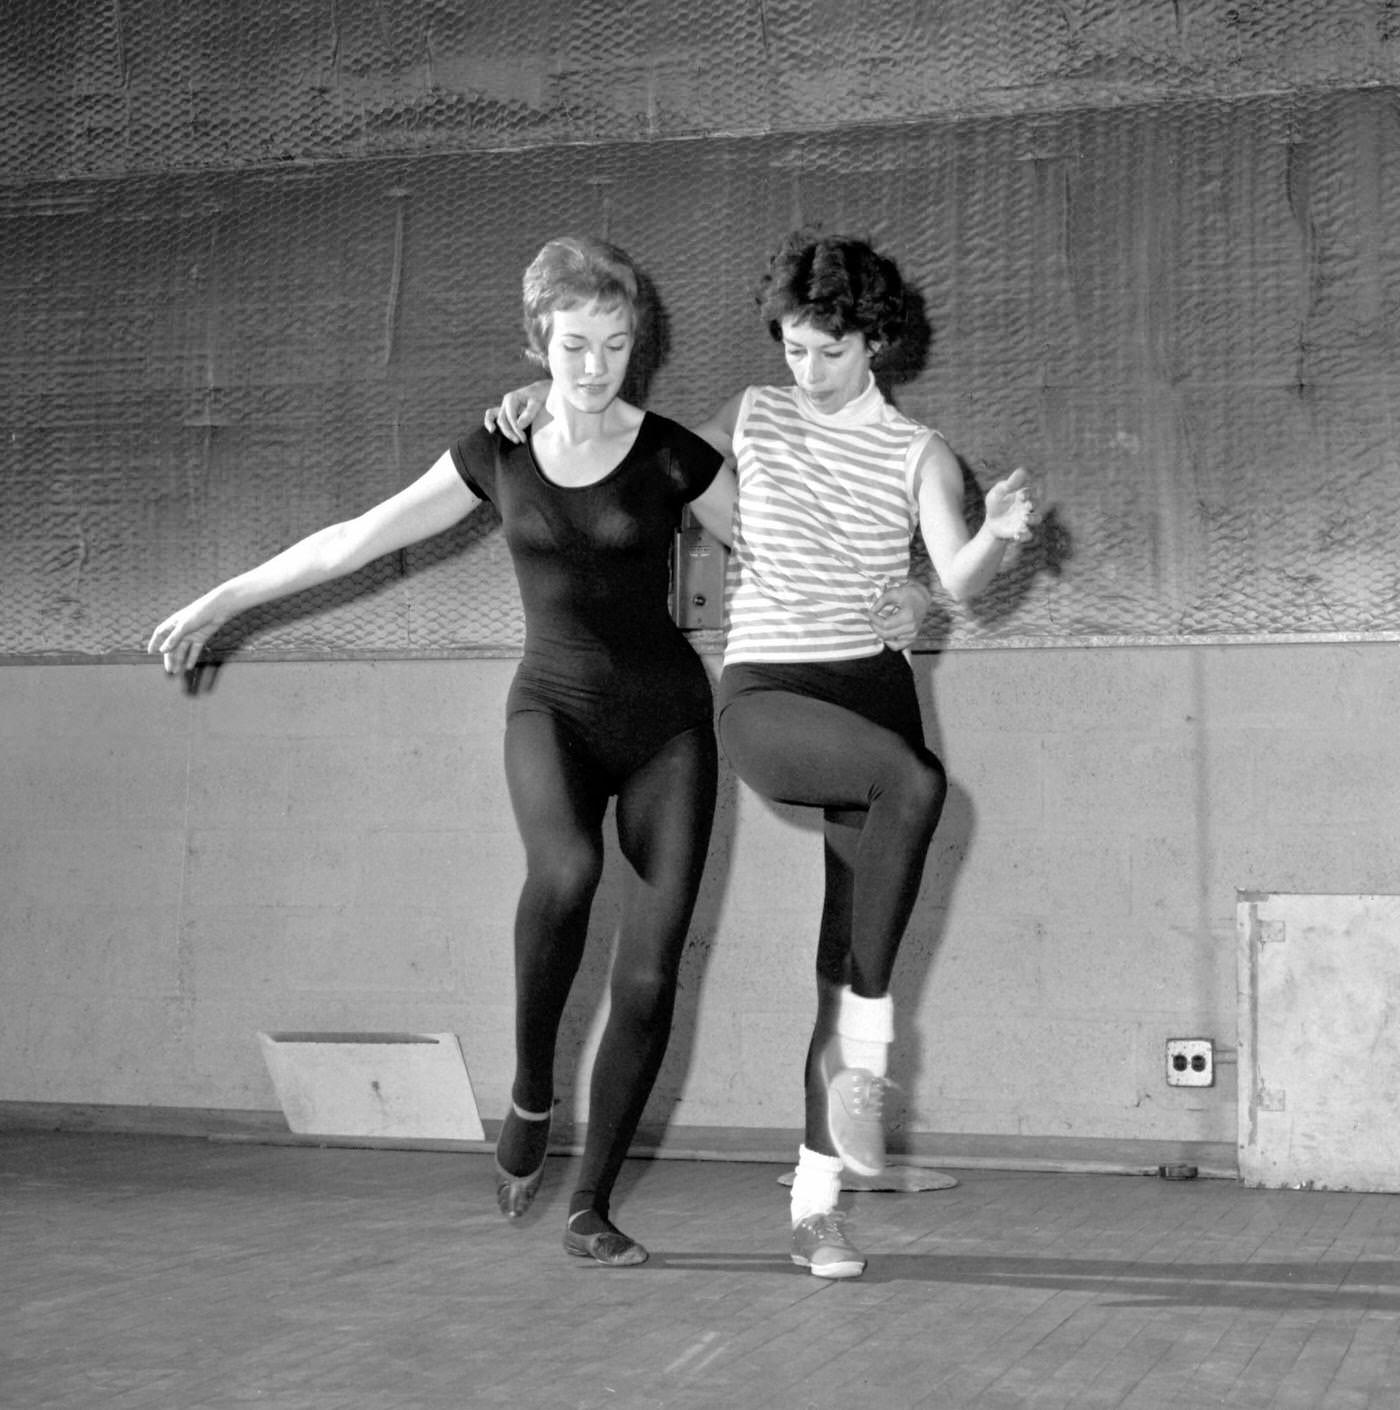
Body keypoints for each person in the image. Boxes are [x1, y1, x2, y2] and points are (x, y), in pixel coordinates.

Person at [149, 235, 737, 1268]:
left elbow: (788, 550)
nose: (595, 368)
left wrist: (898, 589)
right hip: (552, 711)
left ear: (637, 344)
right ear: (538, 343)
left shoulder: (675, 457)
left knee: (649, 979)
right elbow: (354, 538)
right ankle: (530, 1090)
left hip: (670, 728)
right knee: (566, 870)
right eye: (573, 346)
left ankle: (591, 1206)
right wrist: (225, 597)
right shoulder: (496, 451)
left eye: (614, 345)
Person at [488, 229, 1037, 1280]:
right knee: (916, 784)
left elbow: (960, 576)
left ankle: (816, 1207)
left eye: (830, 352)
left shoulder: (918, 452)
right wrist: (537, 406)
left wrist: (988, 543)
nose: (808, 372)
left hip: (872, 694)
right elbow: (624, 453)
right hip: (769, 691)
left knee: (842, 962)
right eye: (792, 349)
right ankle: (871, 1052)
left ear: (874, 344)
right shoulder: (751, 414)